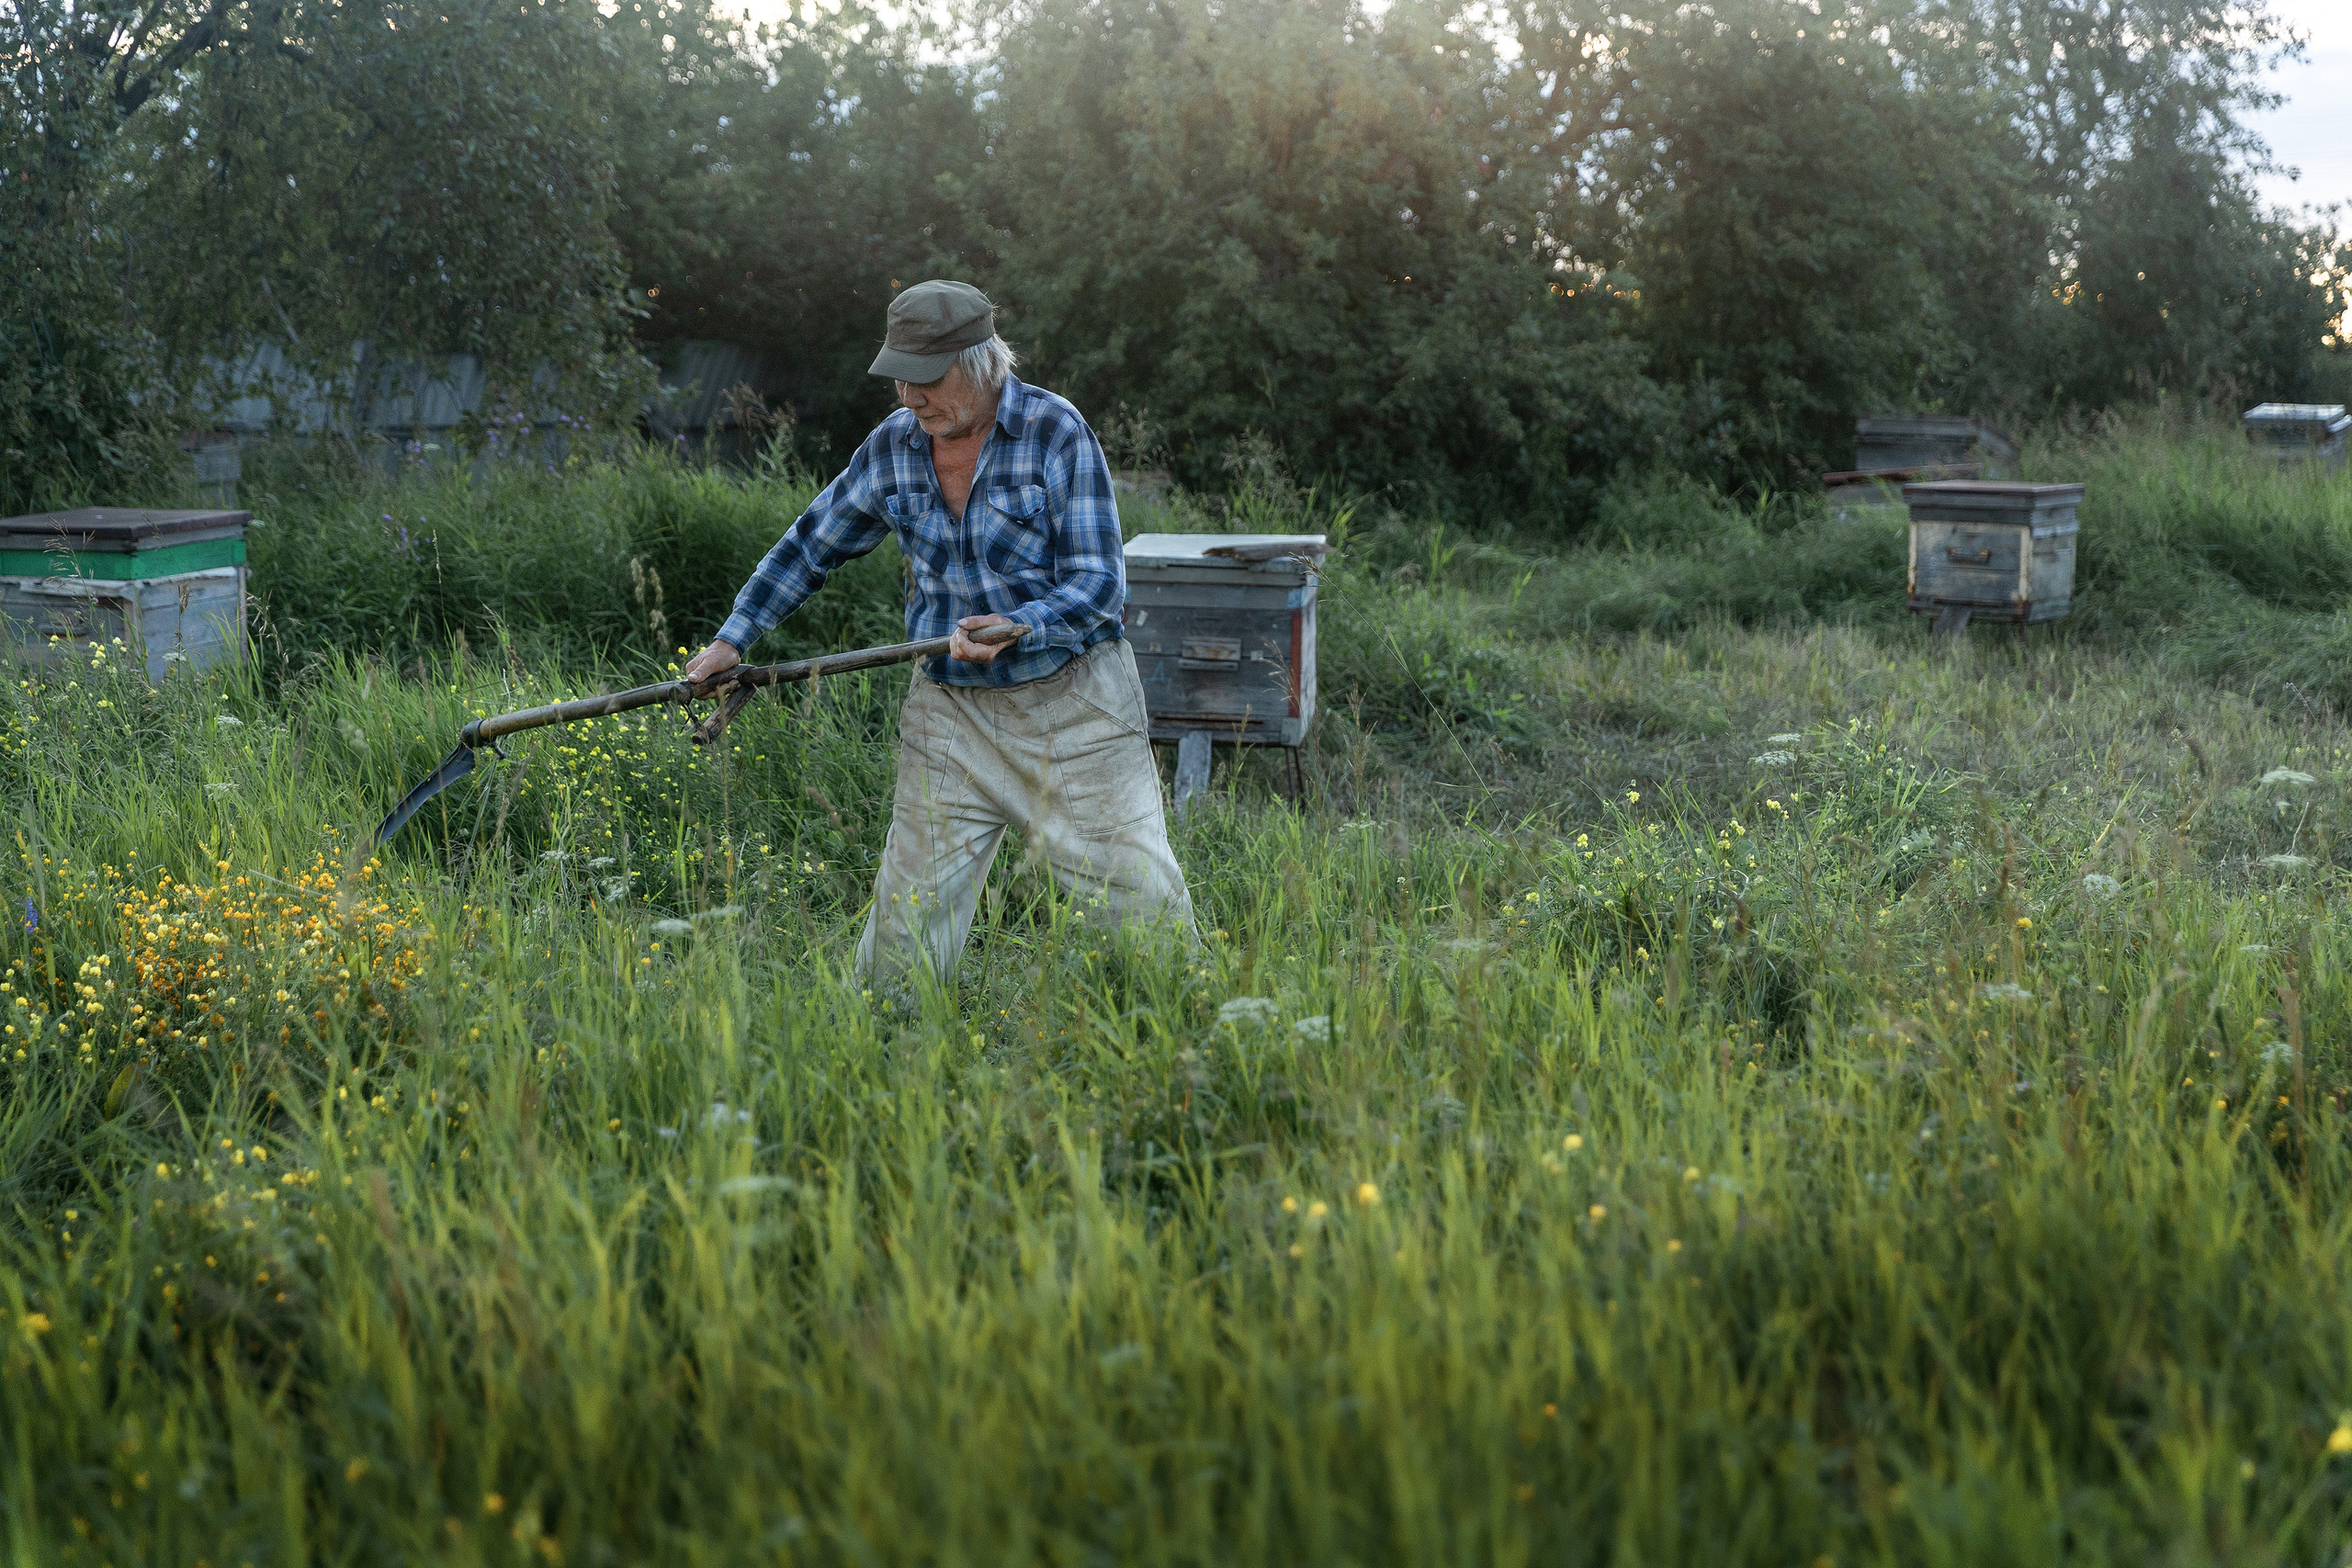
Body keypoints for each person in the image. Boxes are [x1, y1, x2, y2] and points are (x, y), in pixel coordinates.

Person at [683, 279, 1195, 981]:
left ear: (982, 362)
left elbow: (1100, 585)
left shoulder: (1054, 430)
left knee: (1142, 914)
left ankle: (1193, 1030)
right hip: (950, 713)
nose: (910, 397)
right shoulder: (894, 447)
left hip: (1071, 708)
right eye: (899, 379)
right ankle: (884, 1054)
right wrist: (733, 637)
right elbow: (811, 544)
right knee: (904, 931)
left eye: (926, 379)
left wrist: (1023, 624)